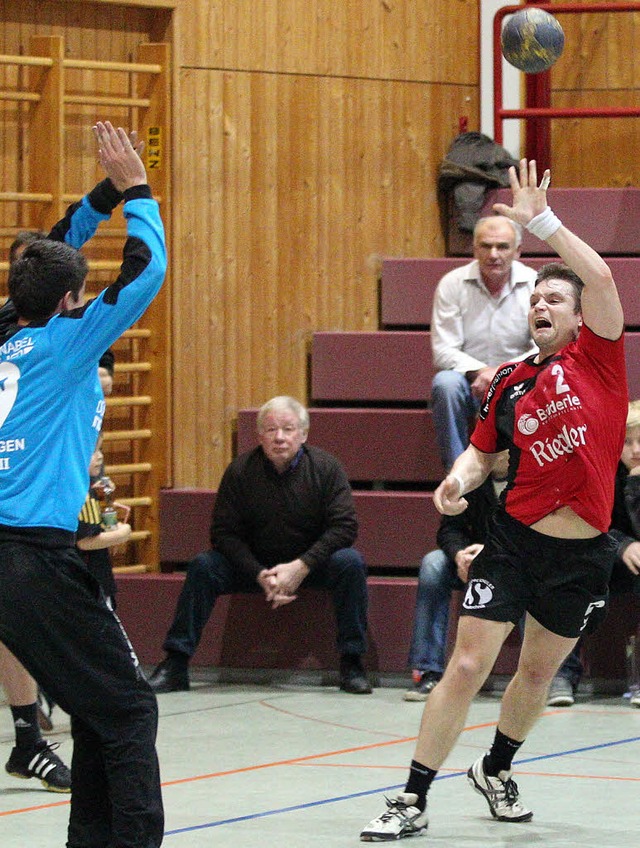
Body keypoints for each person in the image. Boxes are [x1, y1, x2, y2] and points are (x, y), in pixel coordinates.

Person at [360, 158, 627, 841]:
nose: (541, 306)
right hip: (514, 543)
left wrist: (541, 222)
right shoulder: (509, 380)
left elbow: (598, 277)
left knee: (537, 674)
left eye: (553, 302)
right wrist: (457, 480)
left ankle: (497, 767)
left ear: (578, 320)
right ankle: (412, 799)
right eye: (536, 300)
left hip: (582, 553)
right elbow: (482, 452)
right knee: (471, 664)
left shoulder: (598, 359)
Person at [0, 121, 166, 847]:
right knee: (130, 711)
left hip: (12, 560)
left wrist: (101, 195)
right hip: (37, 559)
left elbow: (55, 245)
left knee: (101, 711)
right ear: (73, 300)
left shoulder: (7, 327)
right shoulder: (70, 344)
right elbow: (146, 270)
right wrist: (138, 192)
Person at [149, 395, 372, 696]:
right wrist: (258, 573)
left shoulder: (327, 468)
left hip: (309, 566)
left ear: (303, 434)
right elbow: (223, 534)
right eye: (271, 430)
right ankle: (175, 663)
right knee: (204, 566)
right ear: (260, 436)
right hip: (254, 569)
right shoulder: (241, 471)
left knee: (350, 562)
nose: (279, 437)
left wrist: (300, 567)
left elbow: (345, 528)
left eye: (288, 429)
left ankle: (352, 662)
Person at [548, 399, 640, 707]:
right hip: (607, 560)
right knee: (571, 573)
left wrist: (636, 485)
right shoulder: (600, 471)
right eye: (627, 442)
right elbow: (594, 524)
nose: (635, 450)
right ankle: (563, 674)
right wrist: (624, 545)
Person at [431, 215, 537, 470]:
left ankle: (523, 475)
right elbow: (443, 350)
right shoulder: (452, 284)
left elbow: (543, 347)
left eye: (502, 246)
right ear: (475, 248)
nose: (493, 254)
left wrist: (501, 374)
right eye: (485, 246)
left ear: (518, 251)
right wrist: (482, 372)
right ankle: (457, 473)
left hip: (518, 383)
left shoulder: (535, 283)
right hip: (470, 384)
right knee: (445, 384)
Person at [404, 452, 509, 701]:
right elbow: (449, 530)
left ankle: (531, 679)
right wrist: (459, 555)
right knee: (433, 564)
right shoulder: (472, 476)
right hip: (469, 559)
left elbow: (532, 533)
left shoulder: (531, 477)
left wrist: (489, 553)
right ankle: (428, 671)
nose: (503, 452)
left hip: (514, 560)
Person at [76, 432, 132, 609]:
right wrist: (121, 535)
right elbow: (85, 542)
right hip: (90, 581)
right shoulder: (84, 493)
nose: (99, 456)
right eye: (93, 451)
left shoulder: (84, 487)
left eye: (100, 449)